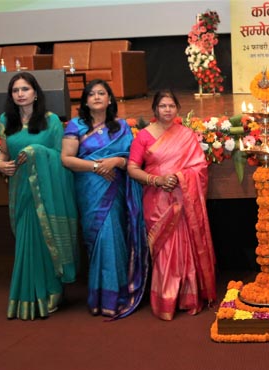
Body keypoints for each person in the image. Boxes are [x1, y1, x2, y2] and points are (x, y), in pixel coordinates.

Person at [0, 72, 79, 320]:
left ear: (35, 92)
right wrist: (0, 165)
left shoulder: (50, 121)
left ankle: (52, 290)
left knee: (44, 238)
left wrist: (36, 150)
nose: (20, 94)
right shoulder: (6, 120)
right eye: (15, 90)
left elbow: (59, 157)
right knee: (25, 241)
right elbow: (3, 154)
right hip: (20, 190)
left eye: (25, 89)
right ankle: (27, 293)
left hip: (47, 191)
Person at [61, 79, 149, 319]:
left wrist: (117, 162)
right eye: (92, 94)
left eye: (102, 93)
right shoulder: (75, 126)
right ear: (86, 101)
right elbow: (67, 159)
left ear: (110, 99)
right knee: (98, 238)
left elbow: (131, 158)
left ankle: (115, 297)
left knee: (114, 236)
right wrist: (98, 165)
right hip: (90, 188)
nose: (97, 97)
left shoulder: (120, 127)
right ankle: (101, 297)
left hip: (115, 189)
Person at [126, 90, 216, 321]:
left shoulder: (186, 135)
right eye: (163, 106)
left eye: (171, 106)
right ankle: (166, 299)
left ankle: (187, 298)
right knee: (165, 250)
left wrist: (181, 177)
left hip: (183, 199)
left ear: (177, 109)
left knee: (185, 247)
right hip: (156, 201)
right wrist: (156, 180)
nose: (167, 110)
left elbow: (200, 167)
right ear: (155, 109)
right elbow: (132, 168)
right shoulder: (143, 136)